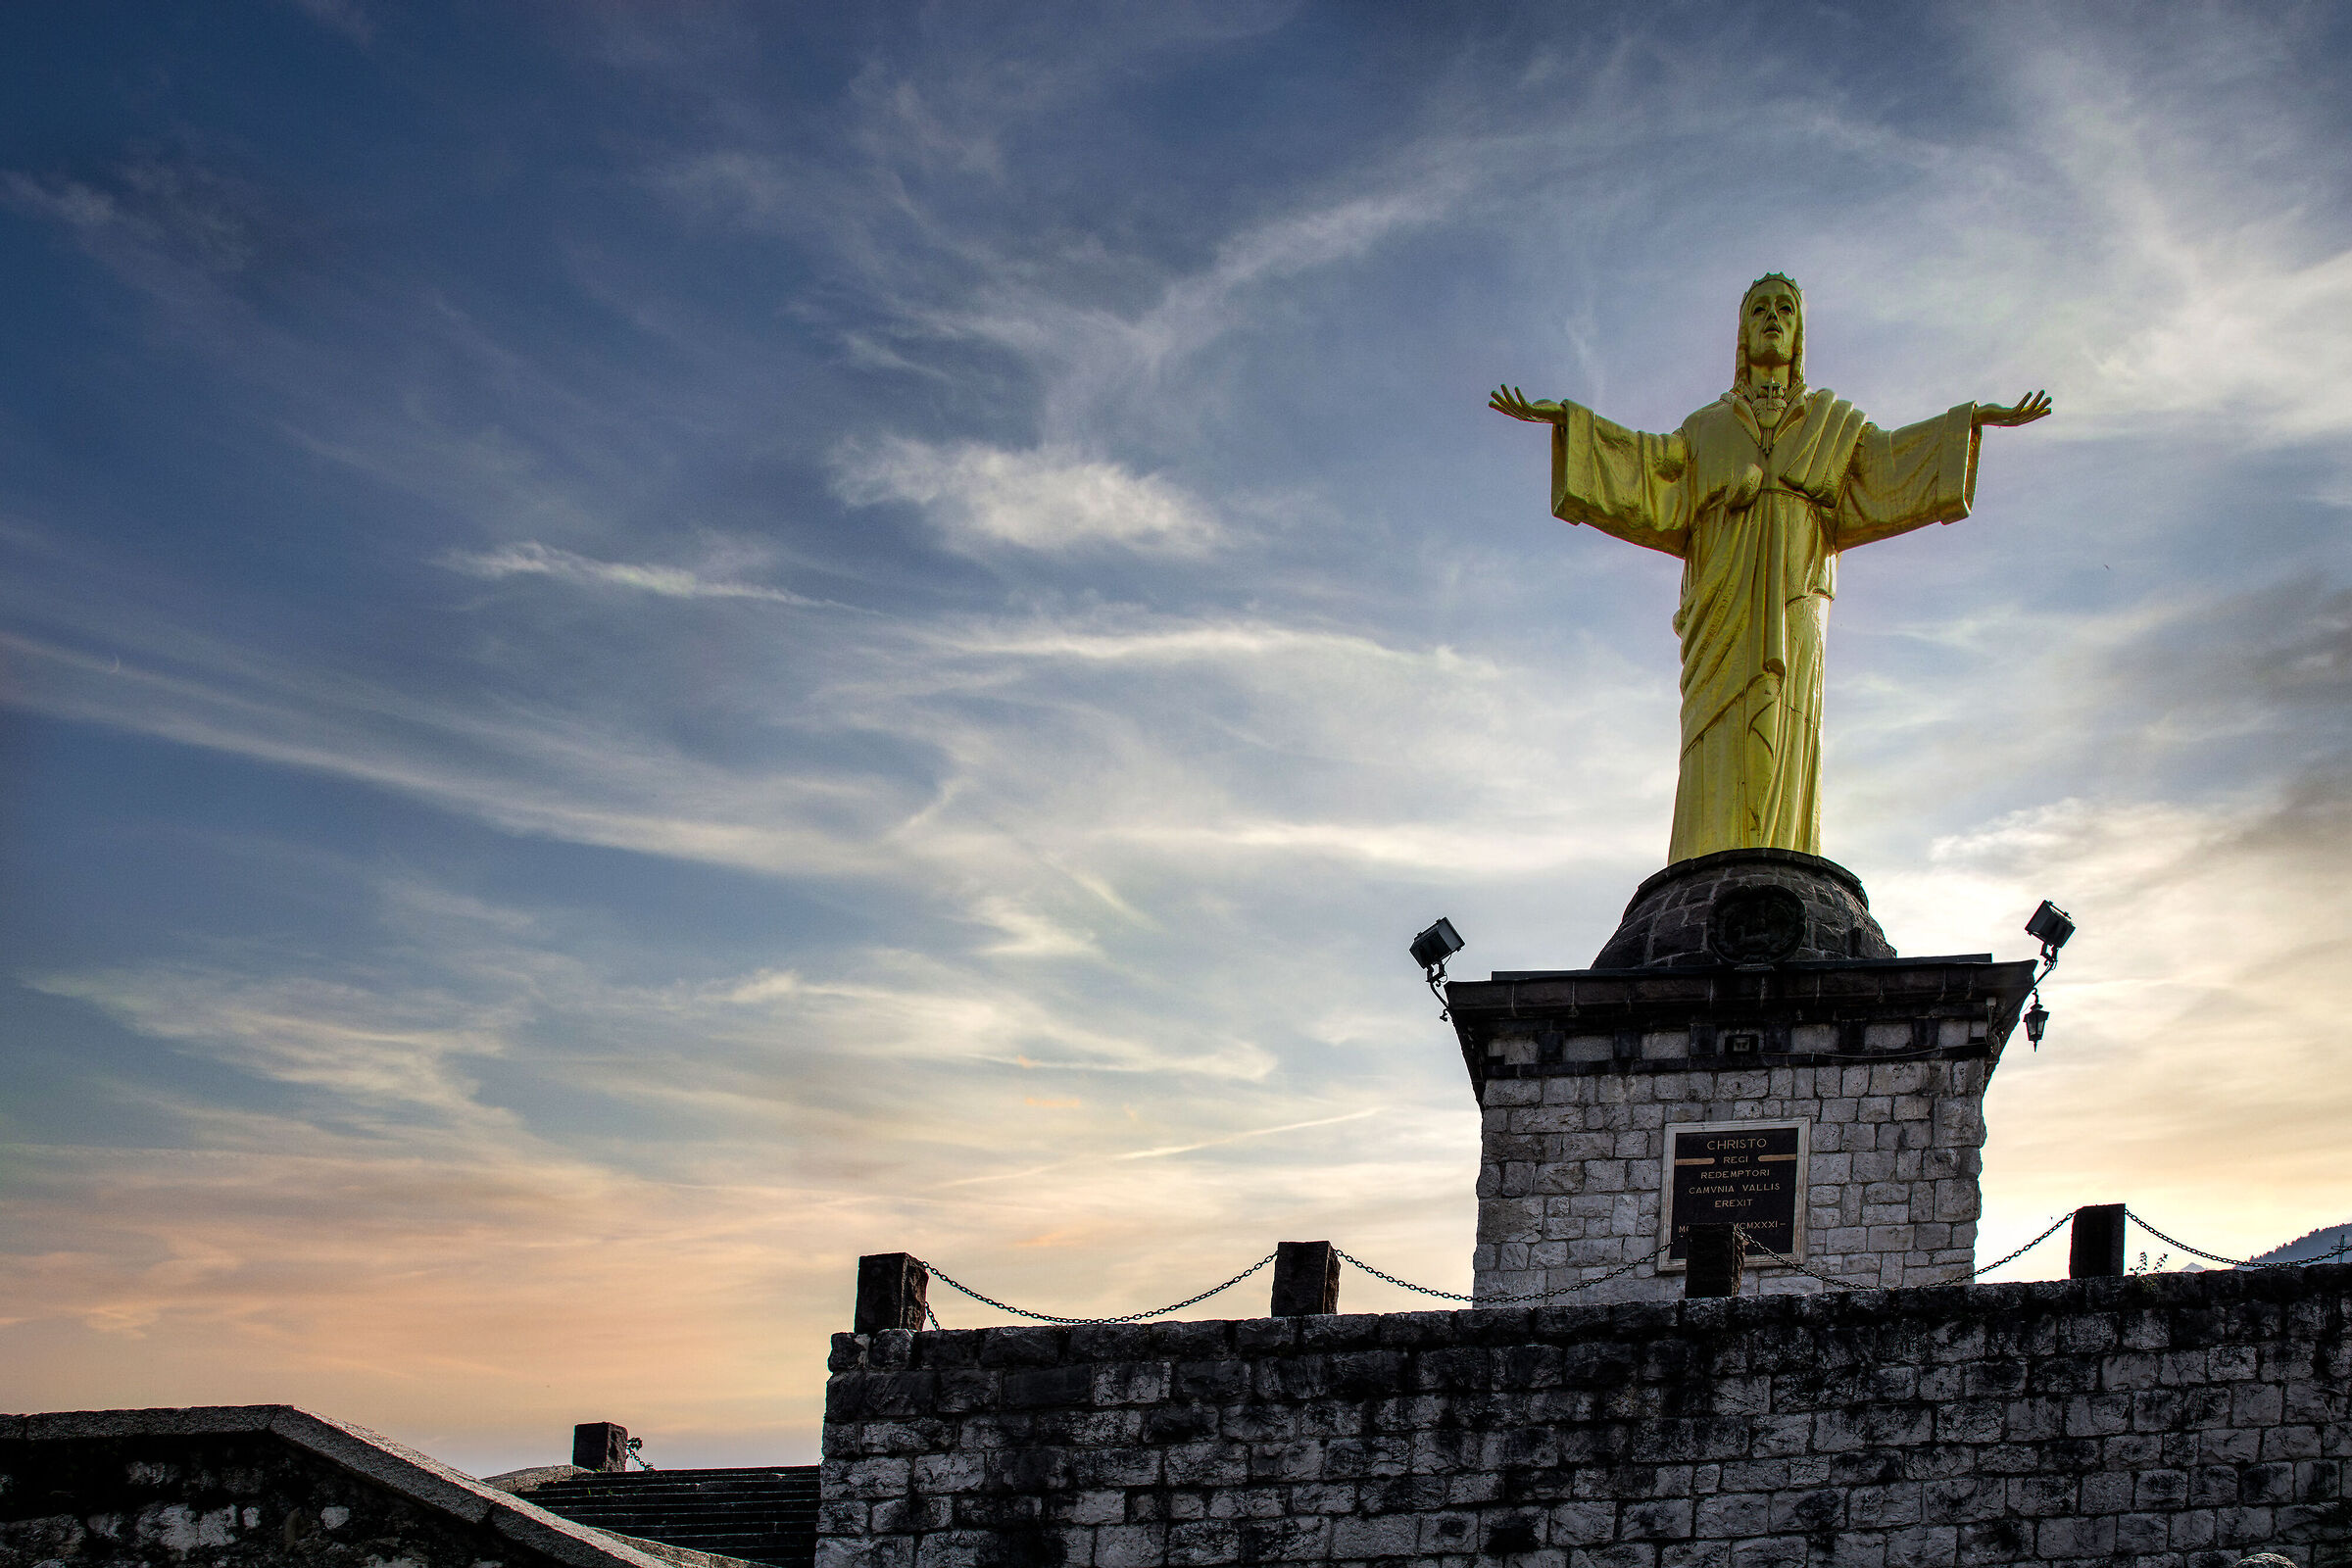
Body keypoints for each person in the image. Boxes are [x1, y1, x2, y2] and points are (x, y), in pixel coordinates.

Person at [1491, 273, 2050, 864]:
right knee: (1715, 722)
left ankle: (1785, 853)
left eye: (1786, 309)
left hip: (1798, 583)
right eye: (1760, 309)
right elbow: (1649, 466)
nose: (1773, 319)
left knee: (1788, 712)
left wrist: (1965, 427)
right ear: (1741, 332)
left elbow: (1886, 461)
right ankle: (1707, 857)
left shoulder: (1831, 422)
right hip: (1722, 587)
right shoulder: (1706, 427)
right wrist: (1572, 425)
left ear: (1799, 332)